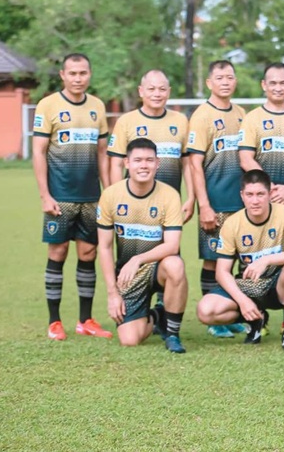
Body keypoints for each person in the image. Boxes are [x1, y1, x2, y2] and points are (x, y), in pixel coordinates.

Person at [33, 52, 112, 341]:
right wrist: (45, 195)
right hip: (60, 197)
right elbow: (39, 152)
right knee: (58, 252)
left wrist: (109, 193)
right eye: (73, 73)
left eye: (83, 73)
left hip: (91, 197)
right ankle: (54, 321)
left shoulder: (97, 106)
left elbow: (102, 153)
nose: (78, 78)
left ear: (89, 74)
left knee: (88, 253)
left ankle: (85, 320)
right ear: (63, 75)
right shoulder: (48, 105)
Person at [195, 170, 284, 352]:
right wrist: (243, 301)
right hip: (249, 285)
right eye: (249, 195)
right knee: (206, 310)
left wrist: (266, 260)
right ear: (242, 195)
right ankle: (255, 320)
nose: (255, 201)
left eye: (260, 194)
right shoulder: (232, 223)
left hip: (277, 284)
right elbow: (222, 272)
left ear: (269, 194)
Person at [97, 138, 188, 353]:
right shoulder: (110, 195)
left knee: (175, 265)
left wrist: (138, 259)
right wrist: (112, 293)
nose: (144, 165)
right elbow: (105, 247)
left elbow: (172, 245)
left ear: (157, 163)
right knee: (130, 339)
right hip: (128, 275)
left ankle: (172, 334)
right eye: (138, 160)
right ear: (127, 163)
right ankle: (157, 316)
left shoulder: (169, 195)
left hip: (157, 267)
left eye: (149, 160)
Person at [187, 60, 248, 339]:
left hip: (241, 203)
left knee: (237, 259)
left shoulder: (241, 114)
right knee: (213, 261)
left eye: (230, 77)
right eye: (220, 78)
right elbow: (194, 164)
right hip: (215, 202)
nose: (226, 82)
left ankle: (231, 313)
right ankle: (213, 319)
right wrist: (204, 205)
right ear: (209, 83)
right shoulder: (201, 116)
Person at [108, 70, 194, 223]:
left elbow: (188, 163)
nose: (157, 94)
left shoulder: (181, 121)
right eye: (151, 89)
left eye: (162, 89)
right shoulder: (126, 121)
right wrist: (119, 198)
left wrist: (191, 197)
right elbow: (116, 164)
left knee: (170, 239)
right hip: (134, 204)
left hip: (169, 205)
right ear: (141, 91)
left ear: (169, 92)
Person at [239, 63, 284, 214]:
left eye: (283, 83)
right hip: (260, 203)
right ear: (264, 85)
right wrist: (269, 188)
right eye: (273, 83)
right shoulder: (251, 118)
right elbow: (245, 160)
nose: (278, 88)